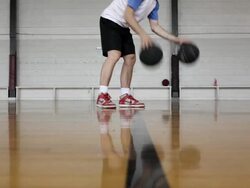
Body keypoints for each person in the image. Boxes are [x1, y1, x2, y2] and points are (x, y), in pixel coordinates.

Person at [97, 0, 188, 109]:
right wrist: (143, 35)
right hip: (110, 19)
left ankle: (125, 96)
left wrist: (175, 39)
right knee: (114, 55)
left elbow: (155, 26)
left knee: (130, 58)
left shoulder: (154, 4)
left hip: (124, 26)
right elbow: (128, 15)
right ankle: (102, 95)